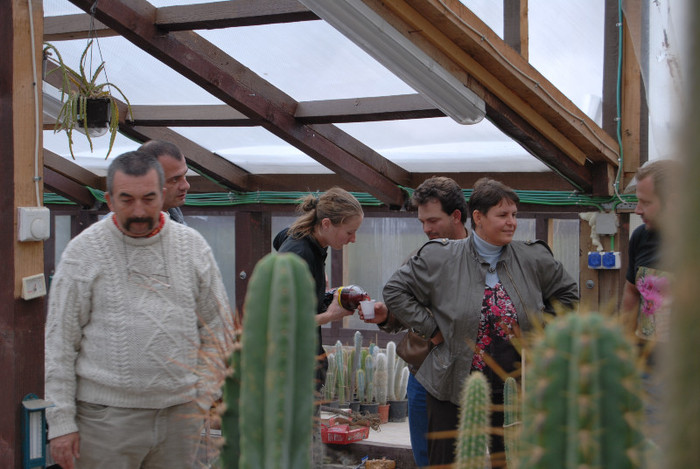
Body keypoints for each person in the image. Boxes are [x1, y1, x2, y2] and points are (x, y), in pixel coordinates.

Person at [45, 151, 231, 469]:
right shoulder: (83, 251)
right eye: (127, 199)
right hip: (104, 421)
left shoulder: (193, 246)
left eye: (149, 198)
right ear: (109, 198)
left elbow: (219, 328)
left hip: (180, 419)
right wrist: (61, 423)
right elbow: (60, 342)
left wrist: (201, 397)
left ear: (163, 195)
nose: (139, 210)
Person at [382, 177, 578, 467]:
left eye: (514, 215)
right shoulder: (441, 257)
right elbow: (394, 291)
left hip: (513, 387)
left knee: (511, 461)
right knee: (445, 463)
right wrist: (432, 329)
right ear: (478, 217)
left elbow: (568, 295)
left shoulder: (533, 257)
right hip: (451, 385)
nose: (511, 222)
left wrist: (541, 331)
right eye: (502, 215)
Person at [359, 176, 468, 468]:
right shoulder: (420, 258)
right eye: (422, 222)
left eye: (432, 220)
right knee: (426, 459)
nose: (427, 229)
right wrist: (388, 317)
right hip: (422, 375)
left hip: (469, 378)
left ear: (456, 216)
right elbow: (405, 309)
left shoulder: (484, 259)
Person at [272, 187, 365, 388]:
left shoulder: (308, 240)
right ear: (326, 224)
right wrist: (331, 314)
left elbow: (279, 238)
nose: (353, 239)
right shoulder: (298, 255)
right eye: (350, 232)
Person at [620, 159, 680, 440]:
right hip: (647, 372)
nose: (637, 209)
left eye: (645, 202)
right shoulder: (641, 238)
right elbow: (632, 291)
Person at [138, 139, 191, 224]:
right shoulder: (114, 232)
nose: (186, 185)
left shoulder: (181, 230)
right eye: (174, 179)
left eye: (185, 175)